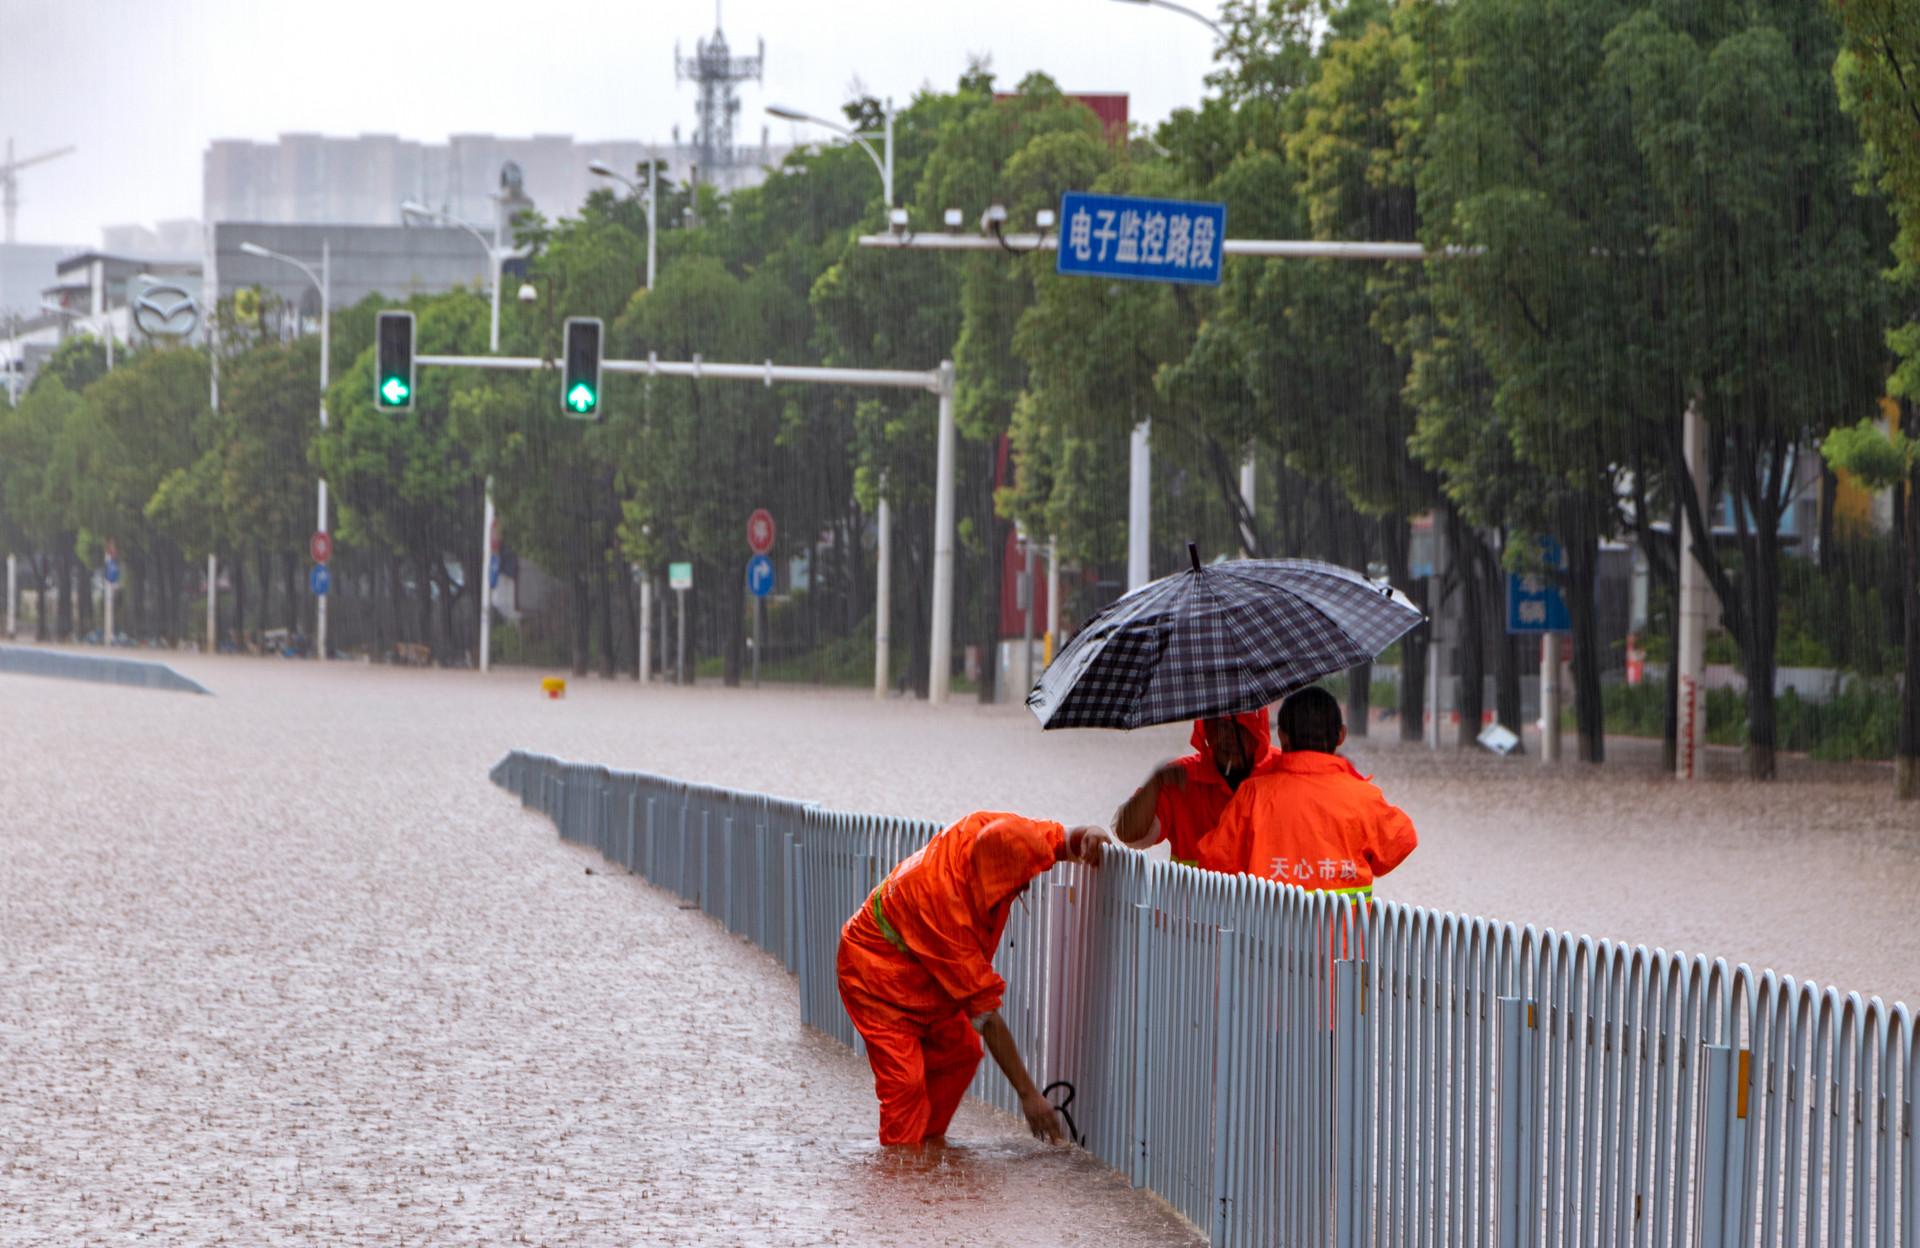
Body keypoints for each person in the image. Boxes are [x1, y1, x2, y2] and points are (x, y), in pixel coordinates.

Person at [837, 810, 1108, 1148]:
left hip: (925, 975)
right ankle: (901, 1174)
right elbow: (986, 1016)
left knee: (961, 1054)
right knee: (905, 1086)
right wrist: (1029, 1096)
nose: (1023, 888)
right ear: (990, 879)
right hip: (874, 976)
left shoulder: (998, 833)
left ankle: (927, 1149)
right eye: (1015, 885)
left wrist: (1088, 836)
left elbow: (1060, 840)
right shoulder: (945, 905)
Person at [1197, 687, 1417, 896]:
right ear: (1341, 735)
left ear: (1282, 737)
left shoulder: (1252, 795)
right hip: (1340, 937)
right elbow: (1402, 841)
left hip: (1268, 935)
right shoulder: (1363, 798)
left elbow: (1212, 861)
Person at [1112, 710, 1278, 865]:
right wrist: (1154, 785)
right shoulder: (1181, 776)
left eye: (1241, 728)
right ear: (1206, 730)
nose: (1230, 737)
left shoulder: (1280, 772)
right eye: (1220, 727)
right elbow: (1128, 833)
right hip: (1190, 896)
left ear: (1258, 735)